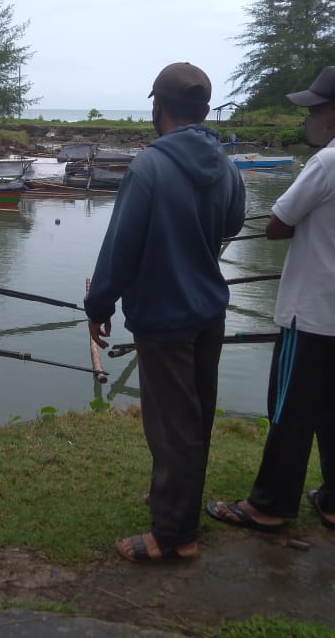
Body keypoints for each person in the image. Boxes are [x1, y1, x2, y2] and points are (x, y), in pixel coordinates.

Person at [207, 65, 335, 532]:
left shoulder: (330, 161)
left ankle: (268, 505)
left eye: (315, 110)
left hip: (312, 311)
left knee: (289, 408)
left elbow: (277, 225)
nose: (306, 119)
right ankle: (333, 501)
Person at [84, 62, 246, 562]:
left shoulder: (149, 167)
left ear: (158, 107)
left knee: (171, 425)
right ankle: (172, 498)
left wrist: (98, 304)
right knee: (192, 420)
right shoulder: (226, 164)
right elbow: (234, 224)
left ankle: (174, 537)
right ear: (203, 110)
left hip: (163, 316)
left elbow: (120, 248)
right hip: (209, 312)